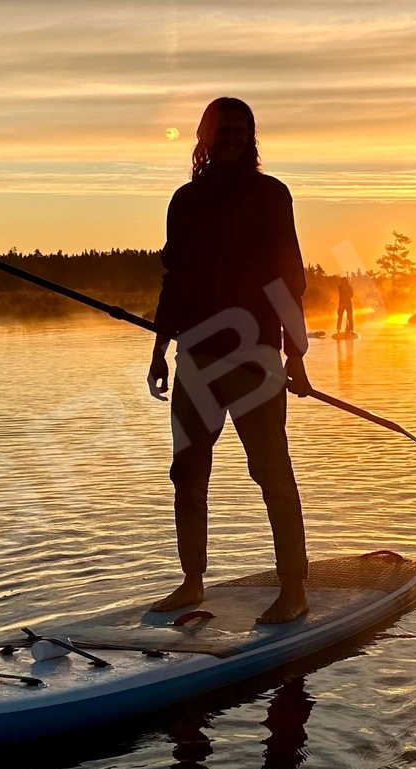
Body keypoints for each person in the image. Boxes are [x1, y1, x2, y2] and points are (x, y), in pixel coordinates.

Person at [147, 97, 311, 625]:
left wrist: (296, 353)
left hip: (256, 355)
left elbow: (289, 277)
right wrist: (159, 347)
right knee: (187, 472)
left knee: (271, 472)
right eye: (223, 130)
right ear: (205, 138)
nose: (232, 138)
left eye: (241, 130)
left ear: (252, 137)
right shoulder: (185, 200)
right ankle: (192, 581)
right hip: (195, 355)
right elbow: (176, 279)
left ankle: (294, 588)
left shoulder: (271, 196)